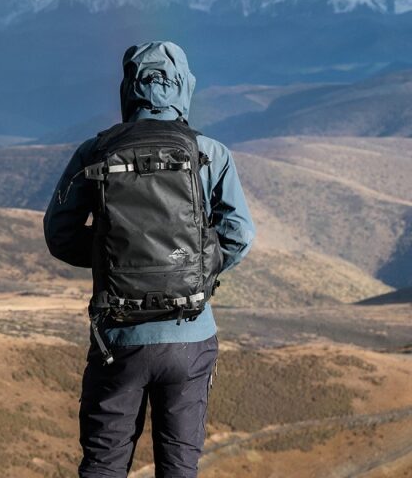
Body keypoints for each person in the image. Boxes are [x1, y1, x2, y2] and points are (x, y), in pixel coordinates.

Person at [43, 41, 255, 478]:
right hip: (191, 335)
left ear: (128, 88)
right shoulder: (211, 152)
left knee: (103, 465)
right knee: (179, 467)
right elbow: (240, 234)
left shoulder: (94, 151)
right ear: (185, 87)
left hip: (118, 339)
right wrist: (194, 266)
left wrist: (114, 260)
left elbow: (60, 235)